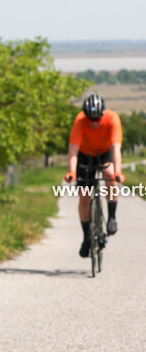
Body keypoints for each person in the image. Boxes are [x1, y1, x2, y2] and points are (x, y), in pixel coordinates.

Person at [64, 92, 124, 257]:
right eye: (92, 120)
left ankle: (112, 217)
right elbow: (73, 151)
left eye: (98, 119)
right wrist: (71, 171)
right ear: (86, 116)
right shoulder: (80, 121)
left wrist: (118, 172)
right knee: (84, 197)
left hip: (105, 153)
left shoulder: (112, 119)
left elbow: (116, 148)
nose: (95, 123)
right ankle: (86, 238)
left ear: (104, 113)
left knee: (109, 173)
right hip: (85, 154)